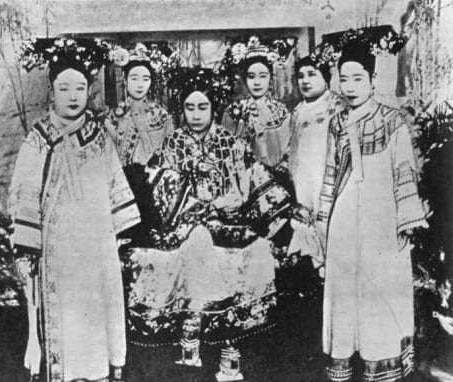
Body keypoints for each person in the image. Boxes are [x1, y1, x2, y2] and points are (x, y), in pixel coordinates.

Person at [124, 66, 307, 380]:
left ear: (214, 108)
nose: (196, 115)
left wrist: (283, 214)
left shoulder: (230, 143)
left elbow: (256, 178)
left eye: (203, 107)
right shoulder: (171, 144)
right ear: (181, 110)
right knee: (195, 245)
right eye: (189, 108)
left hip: (229, 223)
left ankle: (228, 348)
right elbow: (154, 191)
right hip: (182, 226)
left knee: (255, 250)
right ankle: (190, 339)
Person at [10, 37, 140, 382]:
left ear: (89, 92)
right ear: (51, 91)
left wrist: (120, 238)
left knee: (98, 317)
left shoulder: (100, 137)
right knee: (65, 325)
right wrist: (28, 248)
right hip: (58, 252)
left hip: (97, 246)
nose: (72, 95)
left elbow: (115, 186)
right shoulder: (38, 139)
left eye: (80, 87)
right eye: (64, 87)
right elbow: (25, 193)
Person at [317, 38, 428, 382]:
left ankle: (381, 369)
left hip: (383, 218)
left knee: (381, 292)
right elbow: (330, 173)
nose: (350, 87)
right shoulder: (337, 121)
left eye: (358, 79)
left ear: (372, 79)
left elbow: (404, 170)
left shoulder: (393, 120)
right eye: (344, 79)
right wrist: (323, 218)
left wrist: (405, 221)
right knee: (346, 292)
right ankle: (344, 363)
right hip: (345, 220)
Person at [106, 42, 174, 235]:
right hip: (122, 189)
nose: (139, 84)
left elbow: (170, 154)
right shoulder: (113, 117)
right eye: (134, 78)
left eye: (145, 78)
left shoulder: (162, 116)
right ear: (125, 80)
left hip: (154, 186)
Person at [287, 55, 345, 275]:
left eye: (312, 74)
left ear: (326, 77)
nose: (305, 81)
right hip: (304, 183)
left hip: (328, 180)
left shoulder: (337, 105)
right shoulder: (297, 112)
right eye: (301, 76)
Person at [223, 36, 291, 170]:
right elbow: (225, 150)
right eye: (251, 77)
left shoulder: (281, 111)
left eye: (263, 76)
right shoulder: (234, 111)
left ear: (270, 78)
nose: (257, 82)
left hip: (278, 178)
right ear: (245, 79)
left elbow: (290, 148)